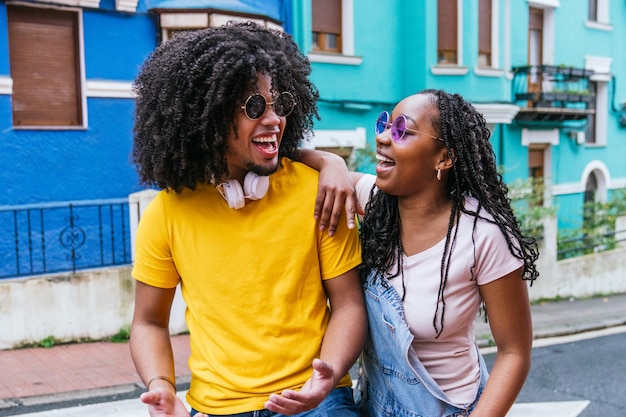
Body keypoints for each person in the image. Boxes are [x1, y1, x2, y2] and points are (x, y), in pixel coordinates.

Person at [129, 22, 366, 417]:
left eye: (280, 103)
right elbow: (149, 322)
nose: (273, 119)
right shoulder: (167, 213)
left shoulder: (318, 191)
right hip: (215, 408)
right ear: (209, 117)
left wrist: (328, 376)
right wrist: (162, 387)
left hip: (317, 402)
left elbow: (348, 305)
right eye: (255, 107)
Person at [300, 89, 539, 416]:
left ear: (444, 158)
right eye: (384, 124)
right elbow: (298, 167)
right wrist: (331, 160)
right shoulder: (374, 200)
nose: (383, 137)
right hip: (375, 406)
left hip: (450, 409)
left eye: (402, 130)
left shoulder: (483, 234)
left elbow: (515, 353)